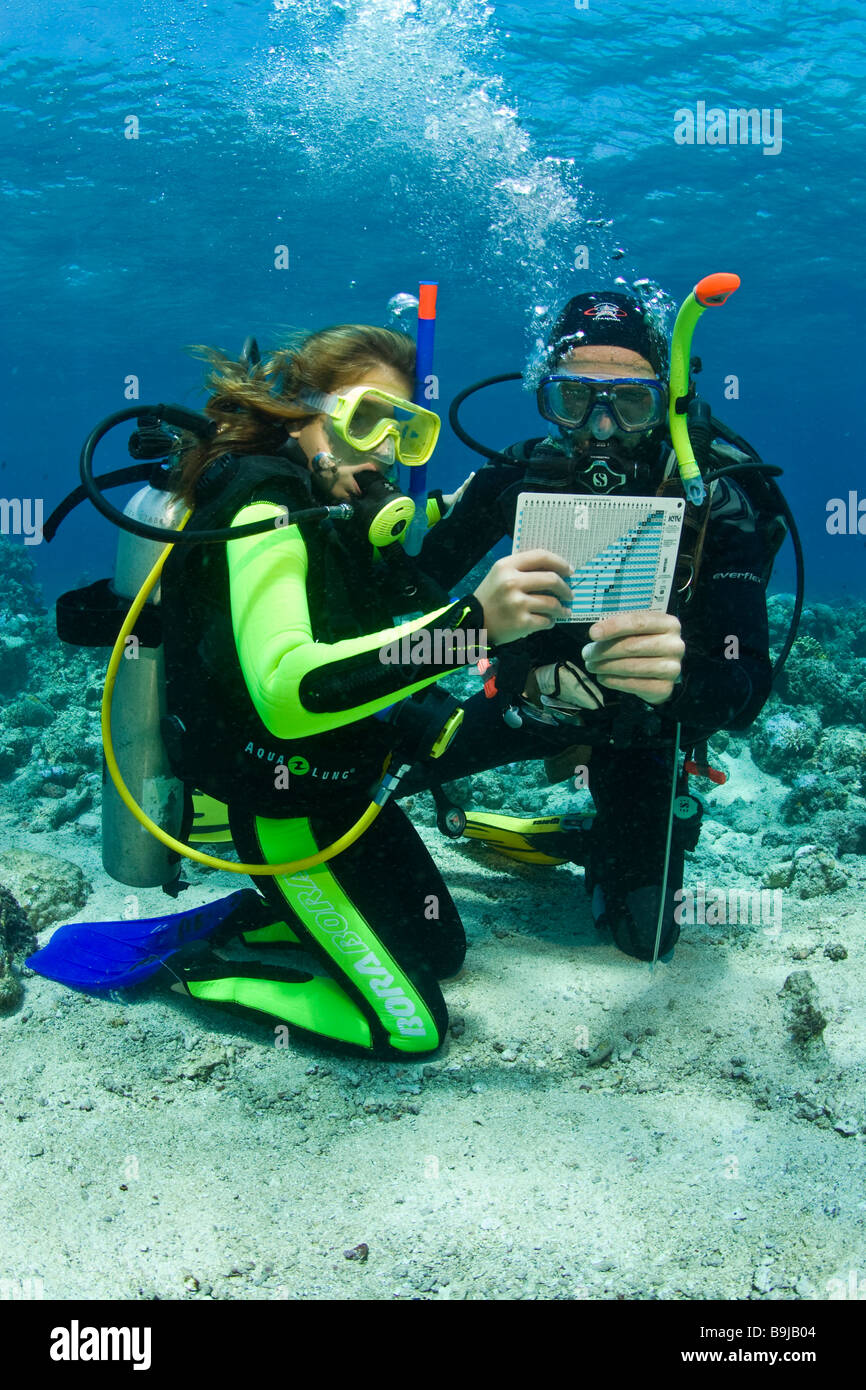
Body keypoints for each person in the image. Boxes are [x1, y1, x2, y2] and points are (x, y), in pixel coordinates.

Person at [148, 323, 573, 1054]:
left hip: (346, 791)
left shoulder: (331, 507)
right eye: (366, 417)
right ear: (302, 409)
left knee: (443, 952)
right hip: (284, 809)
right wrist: (474, 627)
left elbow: (400, 567)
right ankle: (201, 971)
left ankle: (285, 917)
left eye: (403, 430)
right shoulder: (264, 508)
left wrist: (490, 490)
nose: (380, 450)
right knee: (410, 1028)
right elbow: (287, 690)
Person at [402, 290, 774, 963]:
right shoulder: (514, 477)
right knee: (364, 779)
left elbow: (746, 686)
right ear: (546, 399)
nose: (601, 429)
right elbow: (405, 592)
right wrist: (472, 619)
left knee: (646, 938)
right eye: (575, 400)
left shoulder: (717, 497)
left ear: (667, 402)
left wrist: (680, 683)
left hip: (644, 733)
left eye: (630, 402)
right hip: (524, 705)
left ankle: (592, 832)